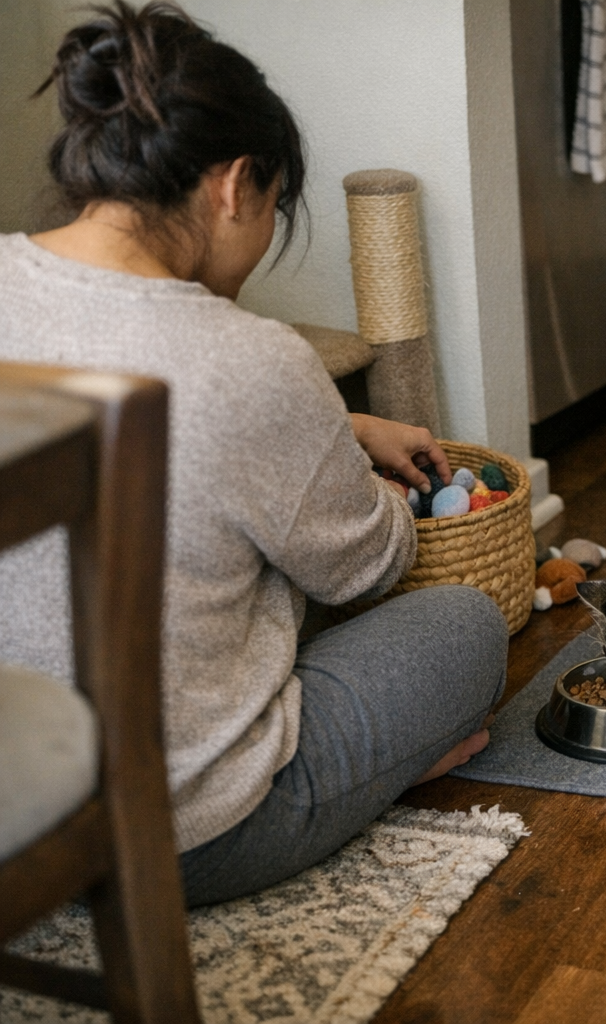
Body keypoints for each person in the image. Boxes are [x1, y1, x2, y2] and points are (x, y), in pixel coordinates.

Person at [0, 0, 507, 906]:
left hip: (18, 811)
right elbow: (367, 569)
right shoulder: (253, 358)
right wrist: (366, 483)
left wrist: (337, 429)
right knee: (465, 626)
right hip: (186, 839)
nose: (266, 238)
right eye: (274, 206)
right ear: (235, 185)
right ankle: (376, 778)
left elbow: (135, 428)